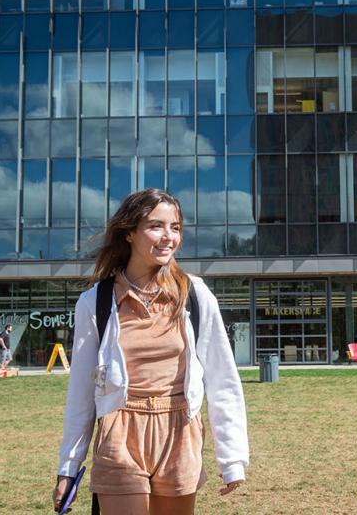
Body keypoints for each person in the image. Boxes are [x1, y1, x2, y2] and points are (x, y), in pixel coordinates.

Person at [52, 189, 249, 515]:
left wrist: (232, 459)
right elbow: (81, 394)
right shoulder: (95, 303)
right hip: (120, 430)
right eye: (156, 226)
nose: (168, 237)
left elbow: (222, 379)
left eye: (175, 227)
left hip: (180, 430)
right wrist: (68, 466)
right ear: (129, 232)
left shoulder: (195, 294)